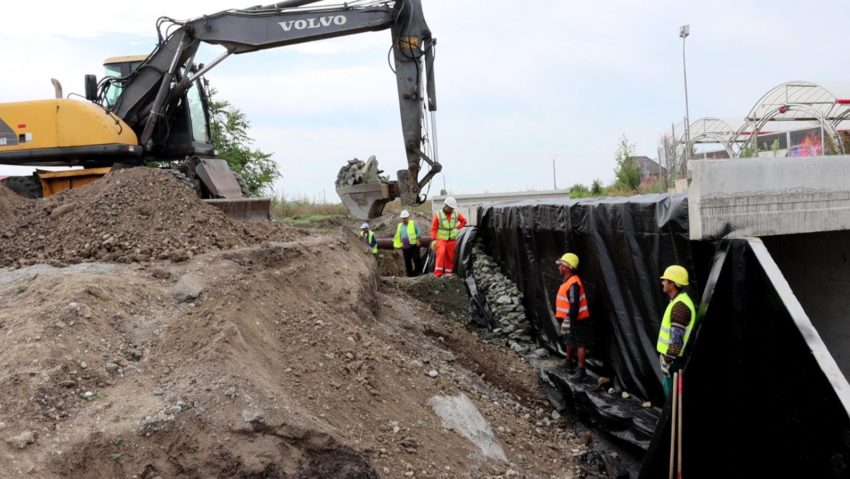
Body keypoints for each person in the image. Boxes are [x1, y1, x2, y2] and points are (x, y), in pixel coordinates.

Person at [656, 264, 696, 398]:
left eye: (665, 280)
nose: (662, 282)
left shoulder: (680, 306)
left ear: (672, 284)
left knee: (673, 401)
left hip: (674, 363)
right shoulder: (677, 302)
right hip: (673, 362)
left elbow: (676, 342)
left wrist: (667, 361)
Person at [554, 252, 591, 380]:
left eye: (561, 265)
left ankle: (582, 371)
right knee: (569, 340)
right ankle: (568, 362)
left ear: (567, 267)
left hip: (576, 319)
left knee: (580, 344)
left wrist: (569, 318)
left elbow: (574, 304)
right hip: (570, 319)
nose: (559, 267)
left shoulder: (573, 284)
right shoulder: (568, 282)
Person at [430, 196, 466, 277]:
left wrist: (457, 228)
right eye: (450, 208)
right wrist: (433, 239)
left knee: (450, 256)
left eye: (452, 208)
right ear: (445, 205)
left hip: (452, 239)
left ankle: (448, 274)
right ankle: (438, 274)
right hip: (441, 239)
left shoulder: (456, 213)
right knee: (441, 252)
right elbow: (434, 228)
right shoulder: (438, 214)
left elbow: (464, 221)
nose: (451, 210)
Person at [393, 210, 422, 277]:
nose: (404, 219)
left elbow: (419, 231)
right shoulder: (400, 226)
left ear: (408, 217)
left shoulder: (413, 223)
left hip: (414, 245)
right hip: (405, 246)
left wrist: (418, 239)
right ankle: (410, 274)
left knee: (416, 258)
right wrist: (398, 243)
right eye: (403, 218)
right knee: (407, 261)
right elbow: (398, 235)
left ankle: (419, 272)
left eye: (405, 218)